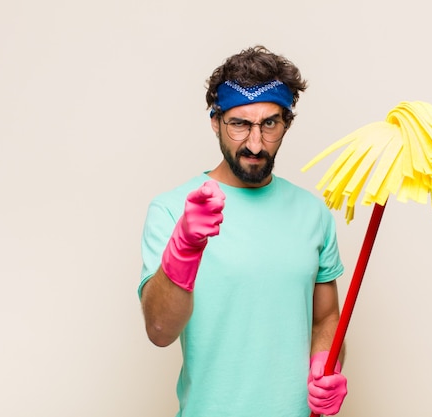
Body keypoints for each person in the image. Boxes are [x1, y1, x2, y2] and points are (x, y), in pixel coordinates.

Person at [138, 45, 348, 417]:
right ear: (215, 121)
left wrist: (324, 363)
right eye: (240, 124)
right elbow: (159, 331)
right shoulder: (172, 209)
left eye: (270, 123)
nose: (255, 143)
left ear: (287, 123)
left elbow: (325, 318)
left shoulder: (313, 212)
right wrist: (184, 248)